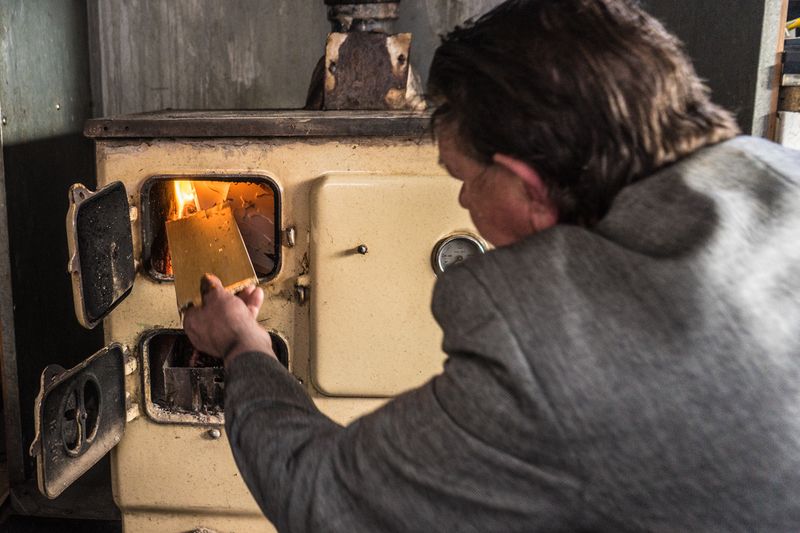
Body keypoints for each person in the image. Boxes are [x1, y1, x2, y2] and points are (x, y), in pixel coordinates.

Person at [184, 0, 800, 530]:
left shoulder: (548, 347)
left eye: (463, 177)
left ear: (525, 184)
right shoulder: (782, 177)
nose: (462, 202)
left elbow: (325, 496)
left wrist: (243, 346)